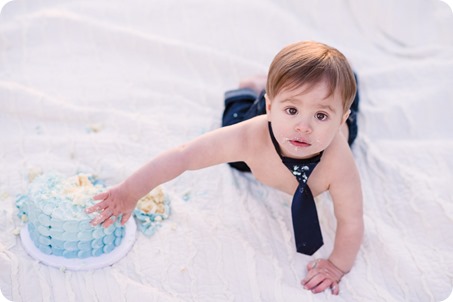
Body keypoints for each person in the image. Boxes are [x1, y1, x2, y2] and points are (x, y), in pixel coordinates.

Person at [86, 41, 364, 296]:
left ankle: (349, 80)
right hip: (265, 130)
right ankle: (249, 88)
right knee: (233, 141)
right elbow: (184, 156)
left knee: (348, 86)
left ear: (340, 121)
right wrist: (130, 191)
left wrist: (337, 266)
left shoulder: (339, 164)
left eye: (321, 115)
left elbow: (351, 221)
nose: (304, 127)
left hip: (327, 133)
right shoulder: (251, 136)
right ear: (270, 105)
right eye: (292, 110)